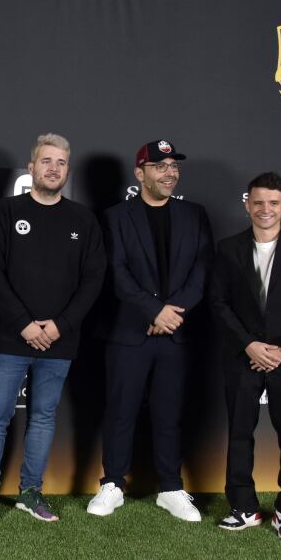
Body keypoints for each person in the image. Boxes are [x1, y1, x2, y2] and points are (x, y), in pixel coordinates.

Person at [0, 133, 105, 523]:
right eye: (46, 161)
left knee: (43, 417)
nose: (53, 168)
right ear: (31, 168)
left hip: (60, 342)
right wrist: (24, 324)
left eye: (61, 163)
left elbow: (93, 279)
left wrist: (59, 326)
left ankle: (31, 491)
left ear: (68, 170)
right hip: (10, 338)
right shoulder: (4, 212)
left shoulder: (83, 219)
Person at [87, 139, 212, 522]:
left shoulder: (195, 215)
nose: (169, 172)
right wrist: (154, 309)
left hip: (176, 333)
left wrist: (174, 313)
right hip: (129, 332)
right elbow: (117, 274)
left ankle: (171, 487)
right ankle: (112, 484)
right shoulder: (115, 217)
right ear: (140, 173)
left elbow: (202, 270)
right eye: (160, 166)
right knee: (121, 411)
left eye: (174, 165)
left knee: (169, 411)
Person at [207, 172, 281, 541]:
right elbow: (218, 303)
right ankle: (243, 506)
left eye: (273, 203)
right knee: (240, 433)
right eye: (258, 202)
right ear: (247, 205)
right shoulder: (227, 248)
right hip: (242, 355)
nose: (265, 209)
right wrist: (249, 345)